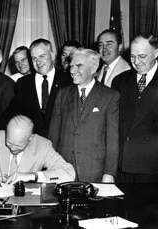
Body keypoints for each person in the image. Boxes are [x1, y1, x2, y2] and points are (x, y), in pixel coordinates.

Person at [0, 38, 72, 139]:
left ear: (52, 55)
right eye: (34, 58)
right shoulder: (24, 83)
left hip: (62, 142)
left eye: (42, 56)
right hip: (33, 143)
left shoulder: (67, 80)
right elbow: (11, 111)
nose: (38, 62)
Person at [49, 48, 120, 183]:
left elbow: (112, 139)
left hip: (95, 171)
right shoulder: (62, 94)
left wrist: (109, 172)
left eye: (79, 66)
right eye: (71, 66)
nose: (72, 70)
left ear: (93, 68)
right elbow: (54, 134)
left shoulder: (110, 96)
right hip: (64, 169)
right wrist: (52, 167)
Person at [0, 115, 75, 185]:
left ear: (30, 138)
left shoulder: (42, 145)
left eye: (18, 145)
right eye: (9, 142)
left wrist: (32, 176)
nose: (12, 148)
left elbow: (68, 173)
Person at [112, 33, 158, 183]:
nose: (136, 62)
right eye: (132, 56)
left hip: (152, 165)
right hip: (122, 164)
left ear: (156, 52)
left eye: (142, 56)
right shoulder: (120, 81)